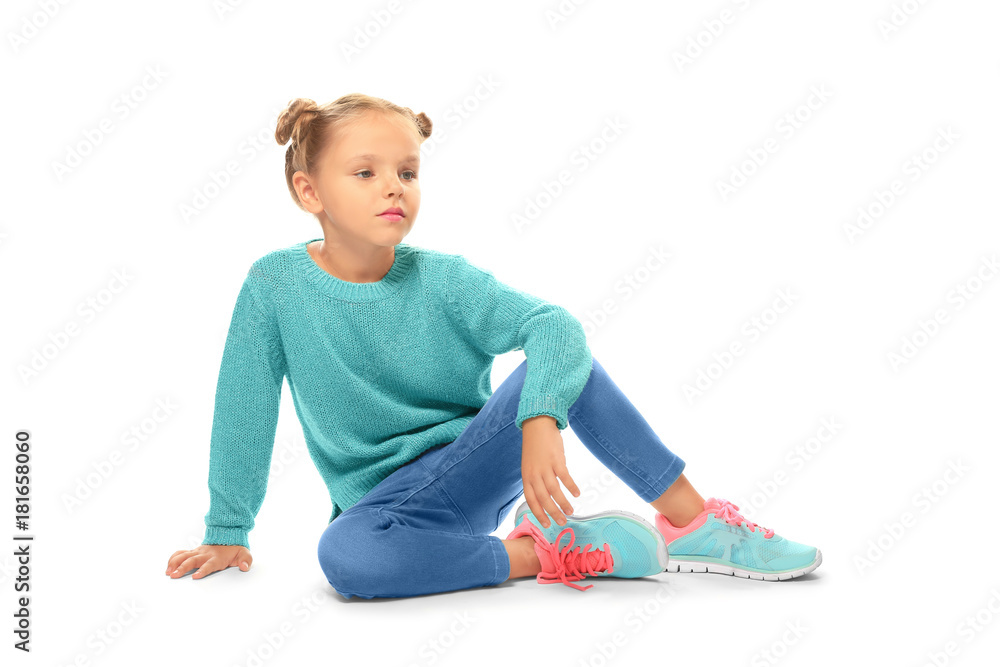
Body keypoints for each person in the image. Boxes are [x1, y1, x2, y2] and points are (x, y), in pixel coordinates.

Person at [165, 93, 822, 598]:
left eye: (407, 171)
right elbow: (243, 404)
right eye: (365, 172)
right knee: (345, 558)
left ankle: (695, 521)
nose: (394, 186)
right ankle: (541, 552)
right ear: (309, 192)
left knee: (570, 364)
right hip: (385, 506)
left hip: (472, 466)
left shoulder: (443, 279)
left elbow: (553, 325)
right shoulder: (274, 286)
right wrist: (227, 528)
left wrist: (540, 414)